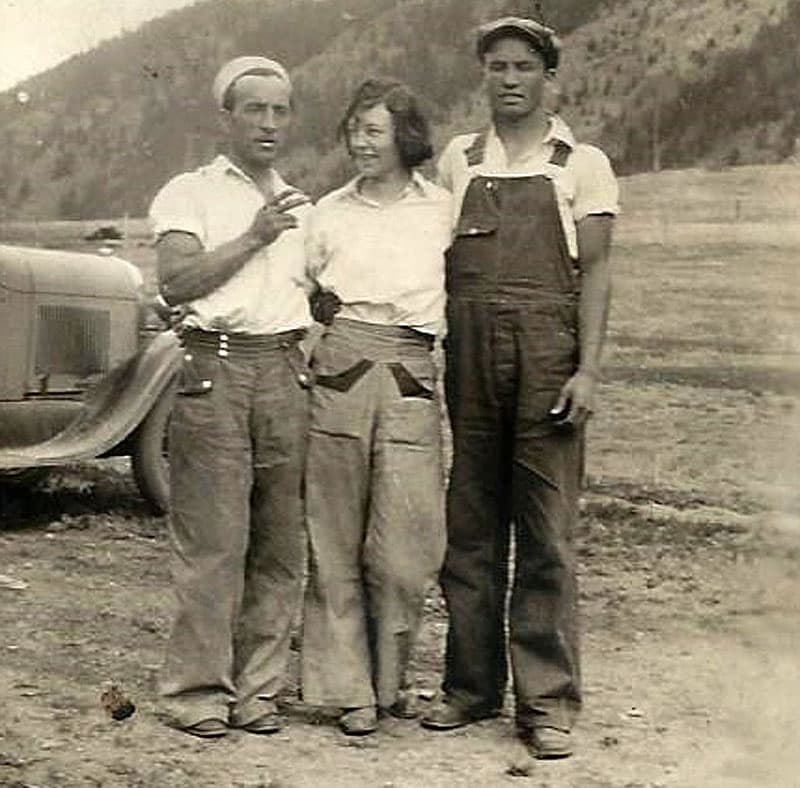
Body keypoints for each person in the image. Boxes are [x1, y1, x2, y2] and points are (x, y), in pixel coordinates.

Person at [420, 18, 619, 760]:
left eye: (523, 67)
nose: (508, 79)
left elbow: (595, 272)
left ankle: (547, 703)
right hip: (471, 357)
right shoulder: (458, 160)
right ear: (484, 76)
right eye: (496, 66)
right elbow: (428, 258)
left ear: (548, 77)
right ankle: (470, 688)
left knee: (546, 537)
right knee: (469, 528)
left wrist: (587, 370)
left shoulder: (581, 163)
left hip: (549, 358)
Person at [148, 56, 312, 739]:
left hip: (283, 373)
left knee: (279, 547)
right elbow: (178, 281)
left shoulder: (302, 201)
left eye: (280, 111)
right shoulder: (189, 193)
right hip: (214, 374)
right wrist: (254, 236)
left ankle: (259, 692)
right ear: (228, 118)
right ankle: (195, 693)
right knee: (215, 542)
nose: (269, 123)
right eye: (255, 109)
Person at [300, 78, 451, 736]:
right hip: (340, 367)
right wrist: (318, 346)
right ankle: (349, 692)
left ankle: (390, 684)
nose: (360, 142)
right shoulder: (327, 212)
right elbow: (302, 290)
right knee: (333, 538)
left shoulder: (442, 209)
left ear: (405, 137)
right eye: (354, 129)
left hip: (413, 370)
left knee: (406, 548)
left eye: (374, 131)